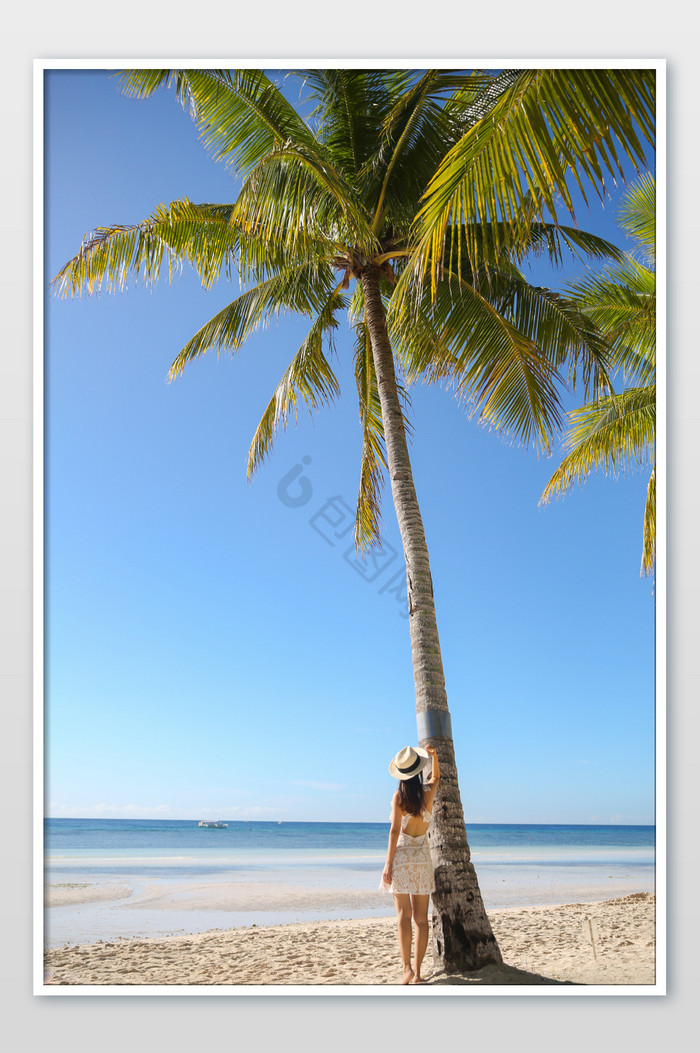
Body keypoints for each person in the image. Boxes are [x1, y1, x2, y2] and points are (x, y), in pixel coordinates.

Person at [380, 743, 440, 984]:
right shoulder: (427, 793)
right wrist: (434, 757)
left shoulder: (399, 797)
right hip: (423, 861)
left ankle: (406, 969)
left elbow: (395, 831)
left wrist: (387, 864)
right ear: (417, 771)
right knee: (421, 919)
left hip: (403, 860)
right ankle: (418, 972)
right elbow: (436, 776)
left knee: (403, 917)